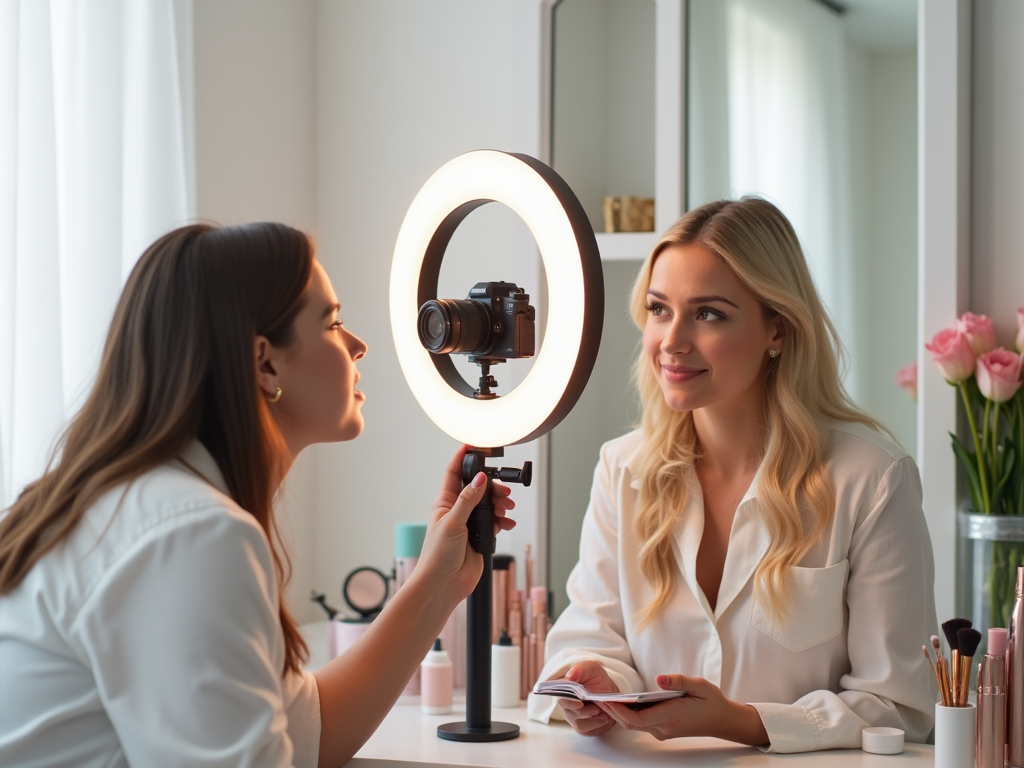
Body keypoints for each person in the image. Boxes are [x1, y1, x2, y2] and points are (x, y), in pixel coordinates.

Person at [0, 222, 515, 767]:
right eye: (333, 323)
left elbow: (306, 735)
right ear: (265, 361)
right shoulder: (190, 536)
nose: (357, 346)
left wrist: (439, 582)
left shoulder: (142, 508)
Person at [527, 197, 937, 752]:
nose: (671, 341)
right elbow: (589, 638)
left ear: (778, 330)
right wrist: (595, 683)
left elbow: (900, 705)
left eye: (709, 313)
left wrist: (739, 722)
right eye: (659, 309)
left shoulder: (871, 479)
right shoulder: (621, 468)